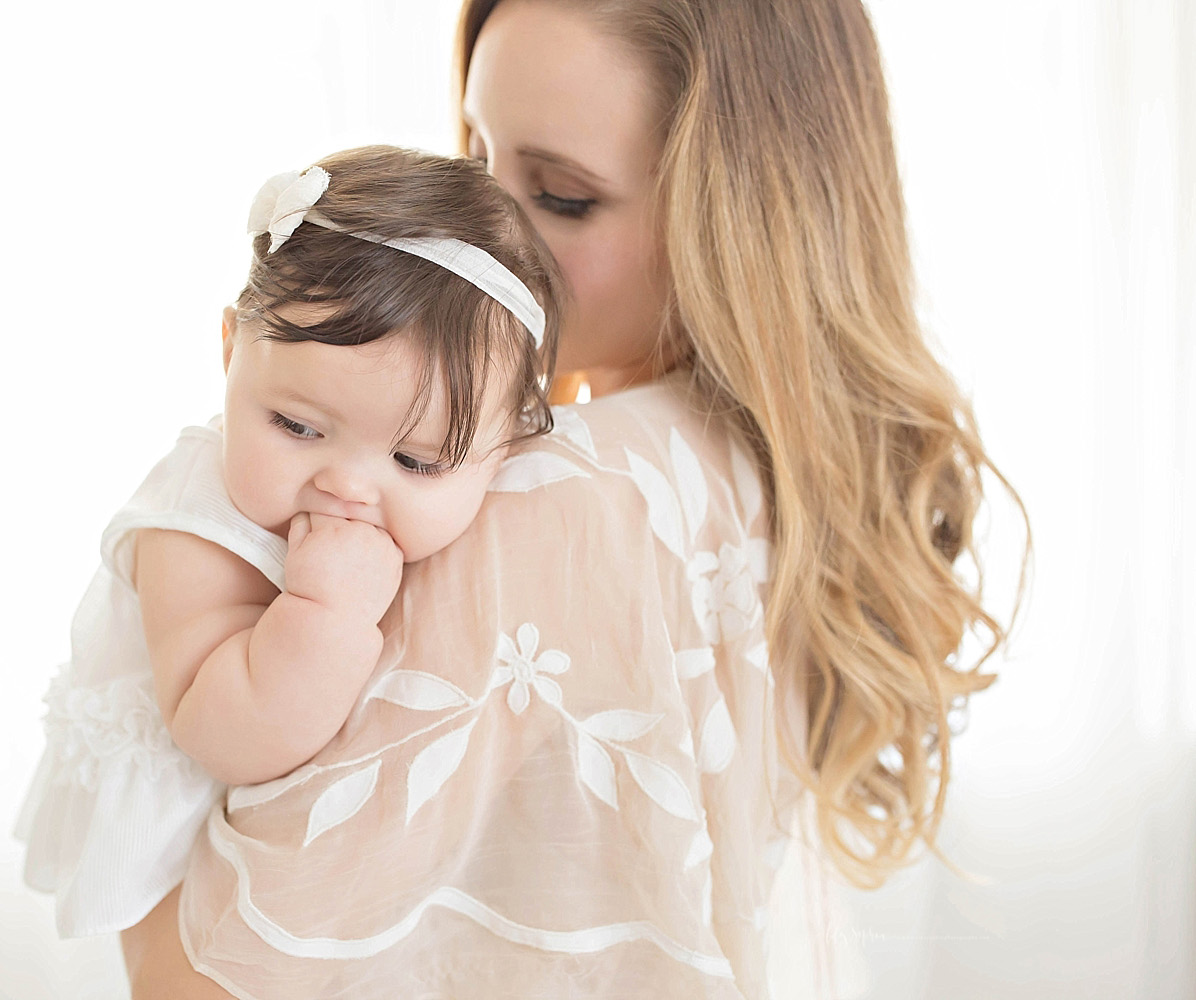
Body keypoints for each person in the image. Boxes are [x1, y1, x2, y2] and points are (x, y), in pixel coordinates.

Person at [61, 1, 1029, 997]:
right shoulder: (763, 461)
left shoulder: (555, 497)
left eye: (560, 195)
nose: (475, 244)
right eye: (477, 159)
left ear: (742, 216)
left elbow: (209, 975)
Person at [15, 143, 561, 937]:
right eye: (297, 426)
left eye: (414, 461)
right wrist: (324, 608)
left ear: (505, 449)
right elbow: (225, 734)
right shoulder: (194, 526)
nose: (347, 487)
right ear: (233, 349)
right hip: (178, 859)